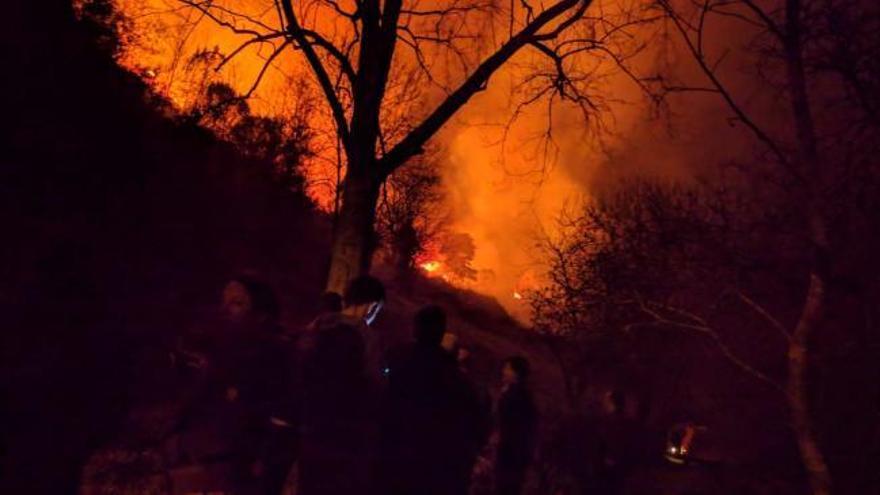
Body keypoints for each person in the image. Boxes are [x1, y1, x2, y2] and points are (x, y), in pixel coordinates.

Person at [170, 275, 289, 495]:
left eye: (237, 303)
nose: (225, 310)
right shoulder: (221, 351)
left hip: (244, 471)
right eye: (224, 302)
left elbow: (280, 421)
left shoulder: (276, 356)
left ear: (261, 314)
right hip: (209, 468)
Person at [381, 305, 488, 495]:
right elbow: (472, 425)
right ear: (440, 335)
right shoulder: (457, 379)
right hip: (431, 465)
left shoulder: (394, 357)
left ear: (414, 328)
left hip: (391, 452)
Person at [297, 276, 385, 495]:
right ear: (372, 305)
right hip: (343, 431)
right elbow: (374, 383)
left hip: (308, 422)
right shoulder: (367, 336)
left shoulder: (318, 325)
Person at [494, 356, 538, 495]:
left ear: (516, 373)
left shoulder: (514, 396)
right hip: (518, 452)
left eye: (507, 368)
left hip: (510, 451)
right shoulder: (525, 395)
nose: (503, 371)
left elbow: (508, 424)